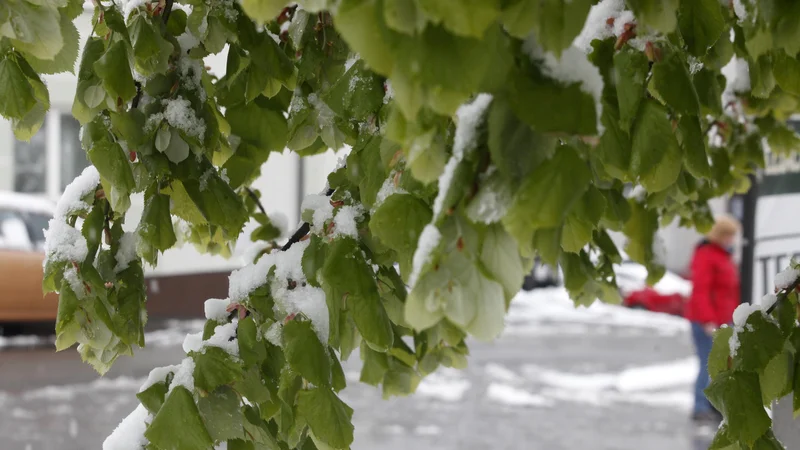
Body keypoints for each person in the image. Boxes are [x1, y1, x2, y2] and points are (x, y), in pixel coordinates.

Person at [684, 215, 741, 423]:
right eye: (728, 235)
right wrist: (708, 320)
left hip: (723, 320)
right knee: (707, 363)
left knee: (722, 365)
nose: (731, 240)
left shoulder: (724, 256)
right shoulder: (707, 255)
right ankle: (699, 406)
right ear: (719, 235)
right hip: (707, 321)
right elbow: (700, 291)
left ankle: (713, 404)